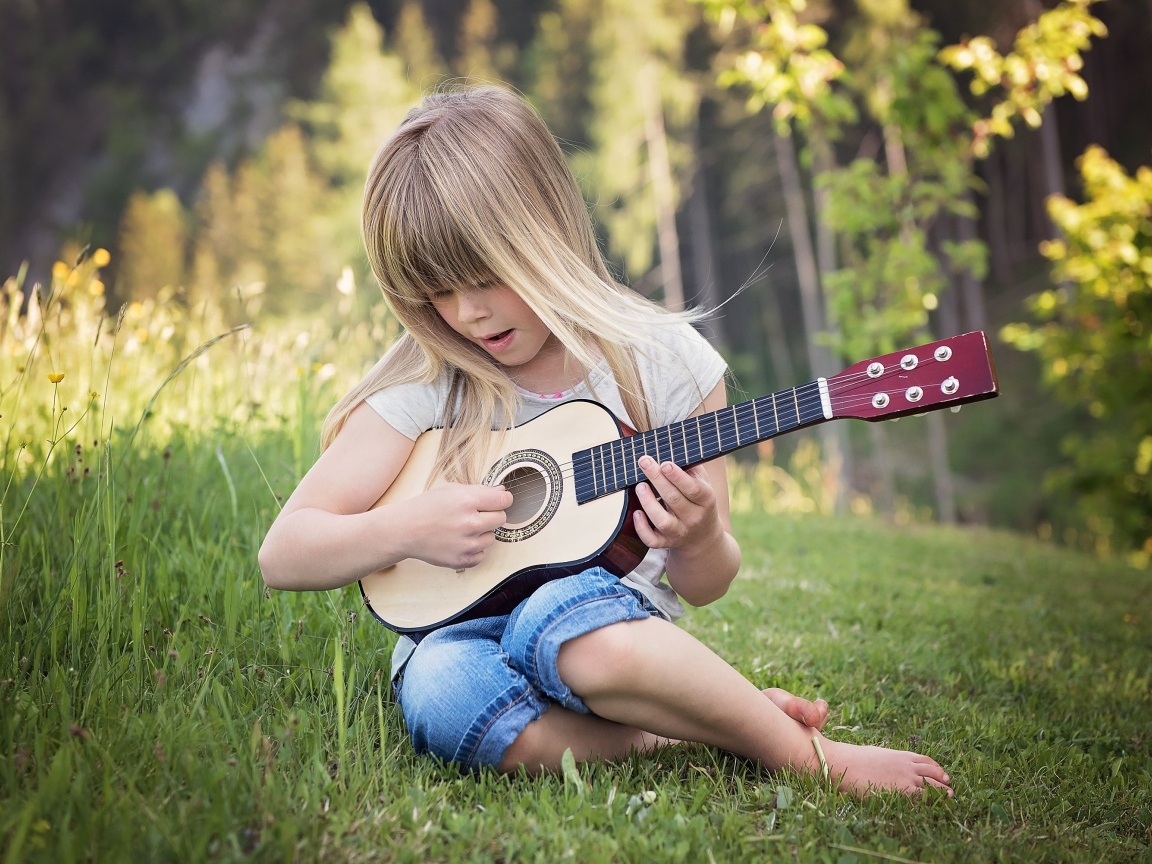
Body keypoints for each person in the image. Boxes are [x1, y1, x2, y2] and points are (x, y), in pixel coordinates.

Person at [259, 86, 952, 797]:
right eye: (437, 291)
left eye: (486, 276)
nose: (467, 313)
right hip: (457, 634)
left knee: (560, 620)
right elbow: (283, 553)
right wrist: (402, 529)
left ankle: (806, 755)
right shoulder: (429, 383)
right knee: (437, 694)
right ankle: (693, 725)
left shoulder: (663, 362)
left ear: (545, 231)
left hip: (605, 632)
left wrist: (698, 536)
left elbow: (705, 585)